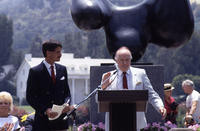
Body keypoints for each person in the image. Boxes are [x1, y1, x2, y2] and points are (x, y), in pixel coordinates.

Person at [101, 46, 167, 131]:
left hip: (137, 123)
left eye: (127, 60)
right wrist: (103, 87)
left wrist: (160, 107)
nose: (124, 63)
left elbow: (151, 94)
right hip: (114, 122)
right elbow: (98, 99)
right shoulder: (108, 76)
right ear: (116, 60)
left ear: (131, 60)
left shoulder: (140, 73)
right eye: (121, 60)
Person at [26, 39, 73, 131]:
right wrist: (45, 110)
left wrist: (67, 104)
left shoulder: (62, 69)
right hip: (43, 123)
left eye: (60, 52)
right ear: (48, 53)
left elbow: (67, 93)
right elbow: (30, 97)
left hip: (61, 122)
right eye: (57, 52)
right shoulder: (35, 72)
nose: (60, 55)